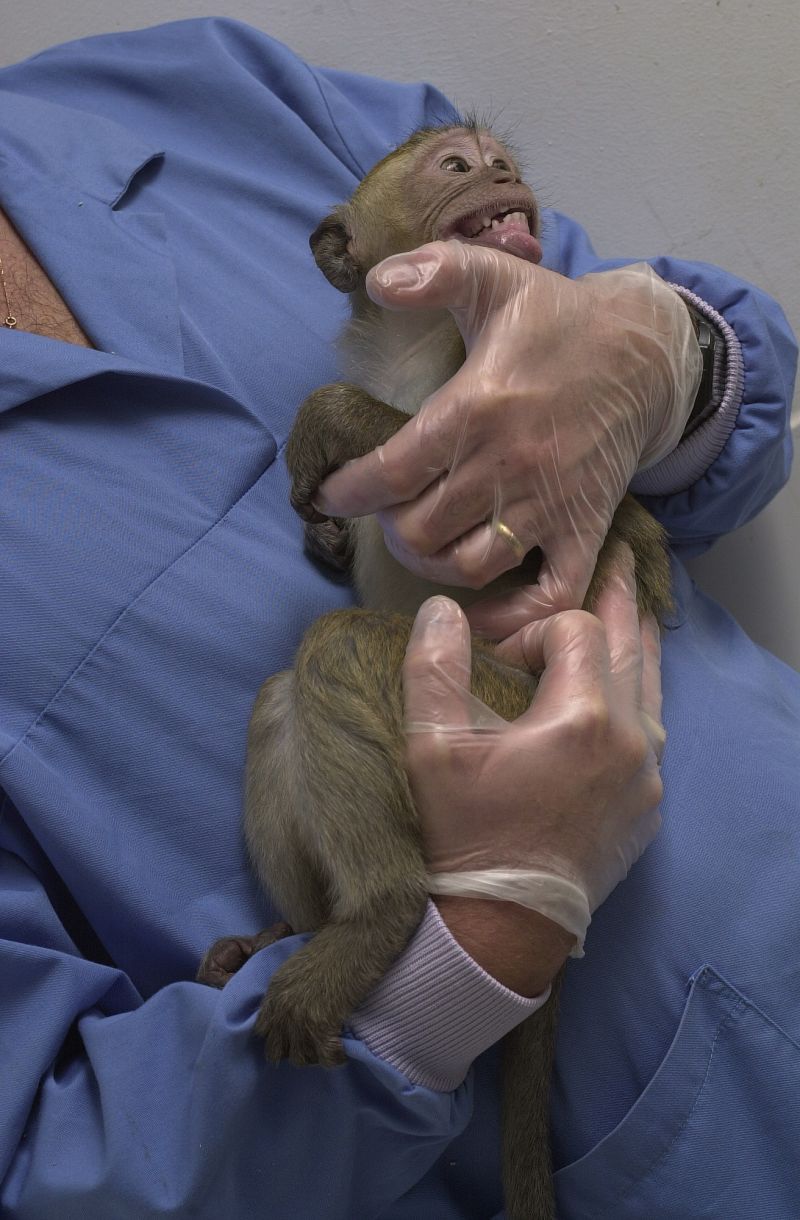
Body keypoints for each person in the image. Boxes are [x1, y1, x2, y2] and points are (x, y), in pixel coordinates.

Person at [0, 17, 797, 1219]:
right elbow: (44, 1156)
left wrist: (666, 359)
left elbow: (727, 419)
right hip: (615, 1153)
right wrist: (462, 959)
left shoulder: (207, 88)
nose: (482, 177)